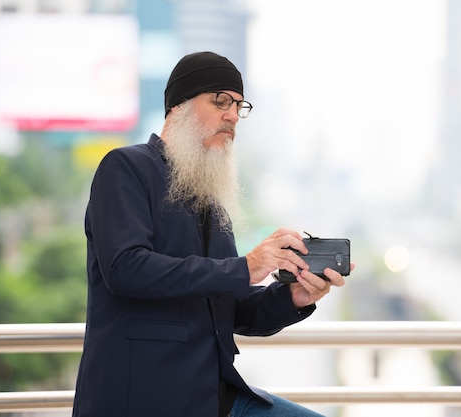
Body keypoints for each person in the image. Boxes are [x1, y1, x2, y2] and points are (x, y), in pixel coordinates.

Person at [72, 51, 349, 417]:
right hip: (144, 396)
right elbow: (126, 269)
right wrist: (245, 267)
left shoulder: (212, 202)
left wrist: (293, 296)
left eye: (239, 106)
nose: (233, 115)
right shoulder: (126, 167)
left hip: (214, 396)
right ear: (178, 107)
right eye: (220, 101)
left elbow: (230, 310)